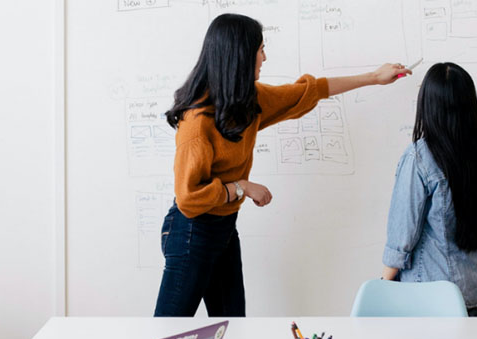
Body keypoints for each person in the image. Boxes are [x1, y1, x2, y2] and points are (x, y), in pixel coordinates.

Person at [154, 13, 411, 317]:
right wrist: (241, 187)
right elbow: (188, 198)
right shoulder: (196, 123)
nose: (265, 57)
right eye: (259, 49)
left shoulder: (247, 101)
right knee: (169, 332)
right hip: (190, 232)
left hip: (223, 229)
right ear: (239, 56)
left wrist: (373, 77)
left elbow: (309, 91)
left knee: (233, 328)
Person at [380, 62, 477, 317]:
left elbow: (402, 236)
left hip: (429, 296)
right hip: (473, 291)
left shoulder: (419, 158)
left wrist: (382, 286)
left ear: (428, 105)